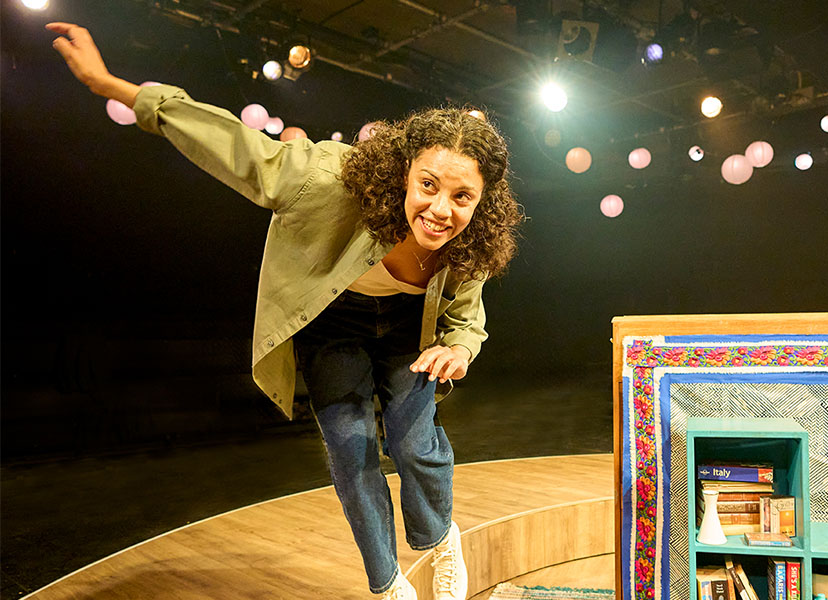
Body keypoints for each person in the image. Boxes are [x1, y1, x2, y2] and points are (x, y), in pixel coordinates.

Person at [47, 22, 522, 600]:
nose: (440, 209)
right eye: (427, 185)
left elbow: (466, 318)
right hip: (335, 323)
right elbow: (234, 145)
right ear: (405, 172)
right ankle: (388, 586)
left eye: (462, 197)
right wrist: (113, 87)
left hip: (406, 328)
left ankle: (438, 540)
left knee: (413, 439)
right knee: (350, 449)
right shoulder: (327, 179)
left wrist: (460, 349)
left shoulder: (470, 242)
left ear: (481, 200)